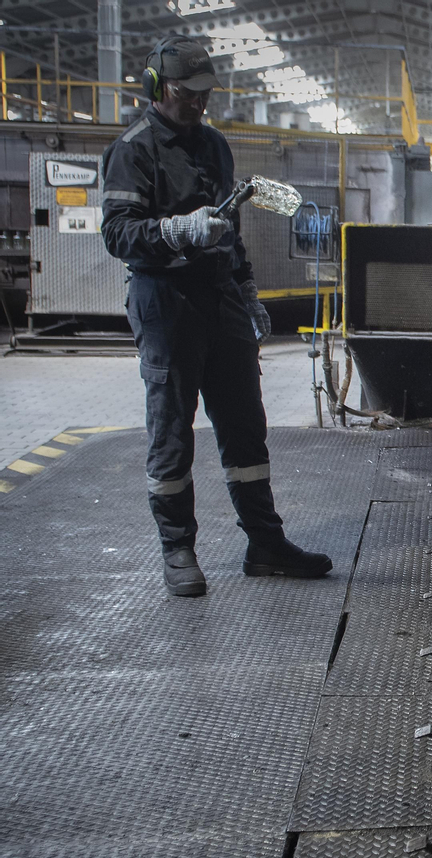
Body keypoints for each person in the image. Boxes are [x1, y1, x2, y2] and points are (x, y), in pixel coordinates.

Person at [101, 37, 331, 597]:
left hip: (220, 298)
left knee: (245, 425)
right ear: (158, 88)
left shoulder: (215, 146)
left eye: (205, 95)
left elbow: (230, 229)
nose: (198, 105)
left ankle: (265, 544)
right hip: (165, 301)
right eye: (186, 93)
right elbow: (117, 233)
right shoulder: (133, 150)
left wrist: (248, 290)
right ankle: (178, 549)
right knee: (173, 430)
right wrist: (175, 230)